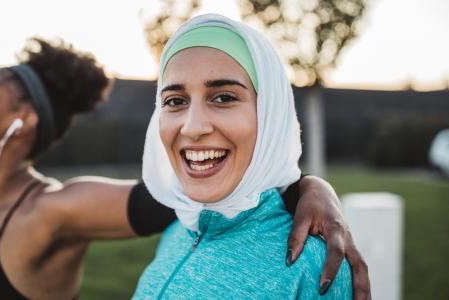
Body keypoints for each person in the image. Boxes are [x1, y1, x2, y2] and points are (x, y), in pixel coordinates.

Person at [0, 38, 369, 300]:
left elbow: (182, 193)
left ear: (21, 119)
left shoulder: (52, 210)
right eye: (174, 101)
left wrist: (306, 187)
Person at [133, 14, 354, 299]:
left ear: (269, 115)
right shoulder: (175, 232)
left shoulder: (312, 265)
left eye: (223, 98)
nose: (193, 127)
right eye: (175, 101)